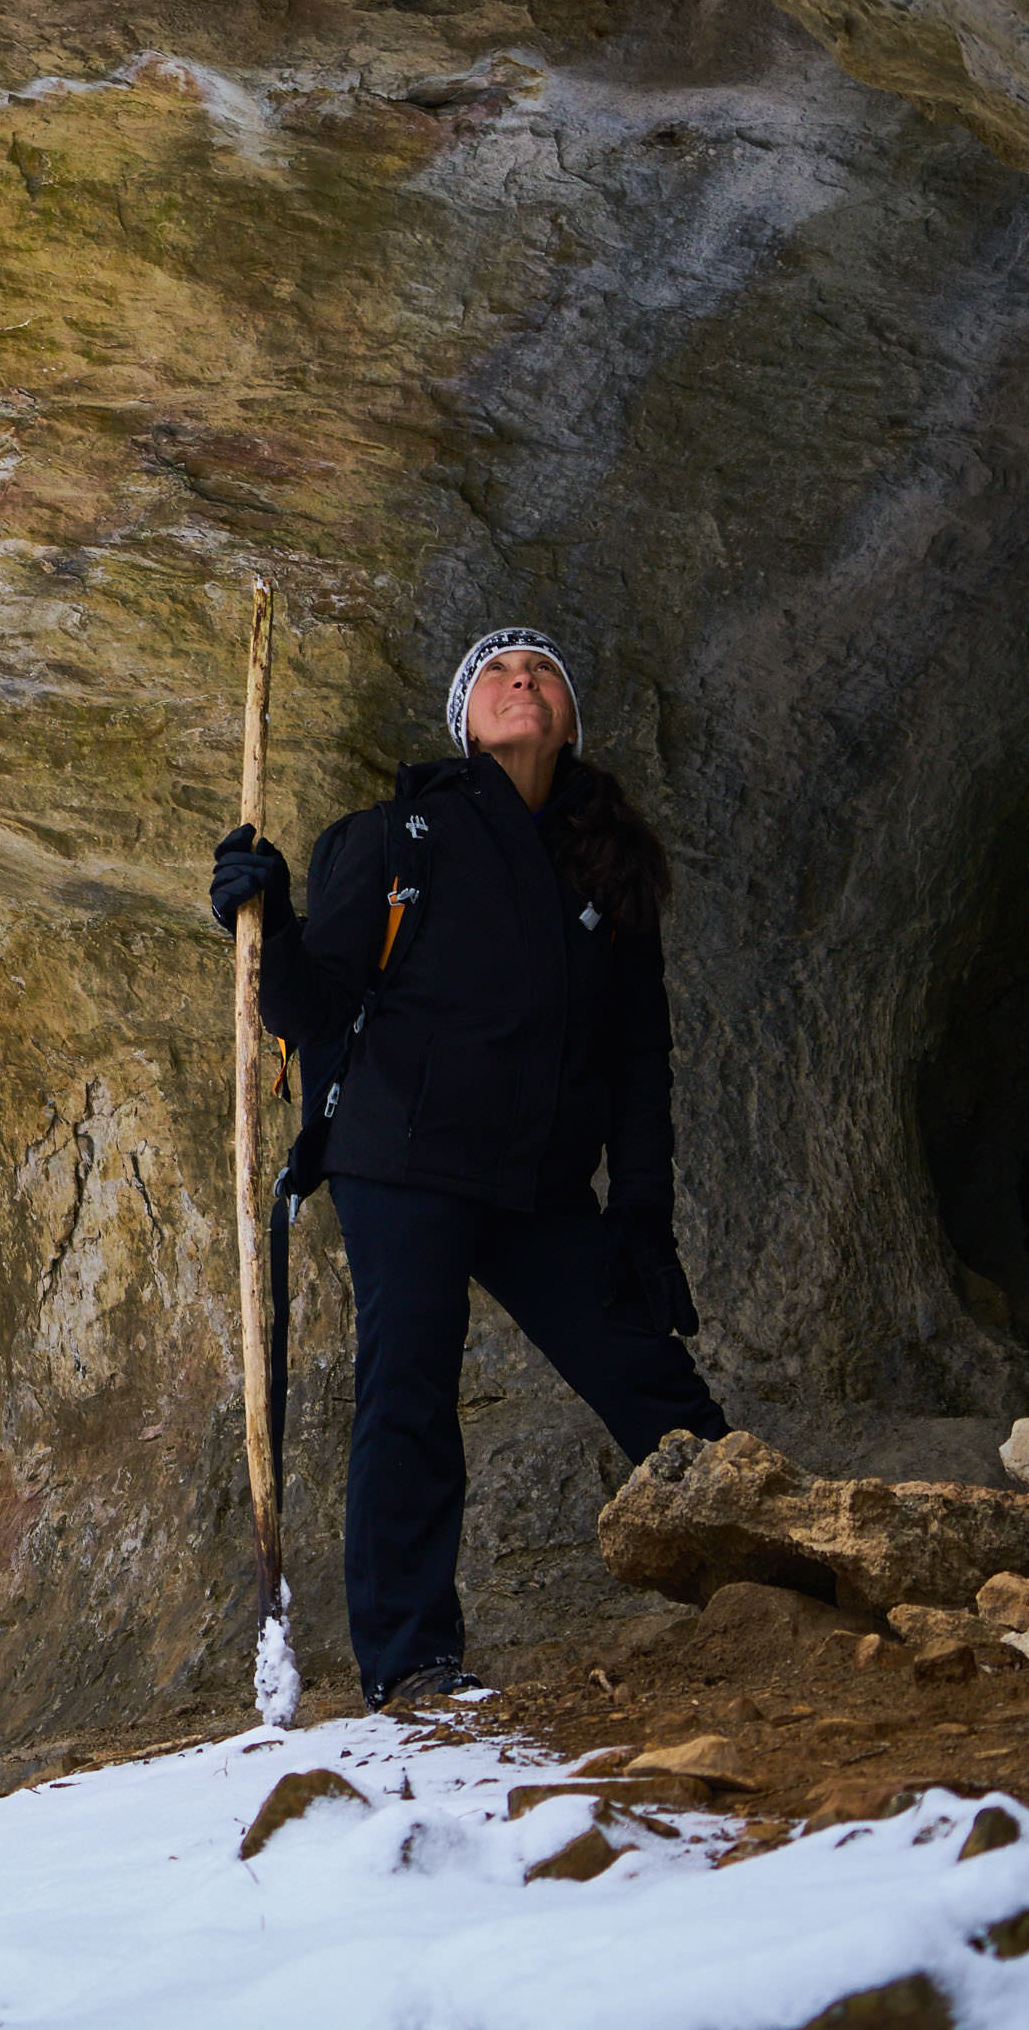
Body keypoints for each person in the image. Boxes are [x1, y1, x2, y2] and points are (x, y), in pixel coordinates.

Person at [209, 627, 730, 1713]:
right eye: (495, 672)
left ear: (570, 719)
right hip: (401, 1156)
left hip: (537, 1181)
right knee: (405, 1389)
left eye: (543, 669)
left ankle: (781, 1566)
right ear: (464, 720)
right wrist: (263, 917)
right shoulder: (398, 834)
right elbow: (316, 1008)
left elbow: (639, 1058)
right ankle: (410, 1663)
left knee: (647, 1375)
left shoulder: (610, 866)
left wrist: (641, 1214)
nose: (522, 679)